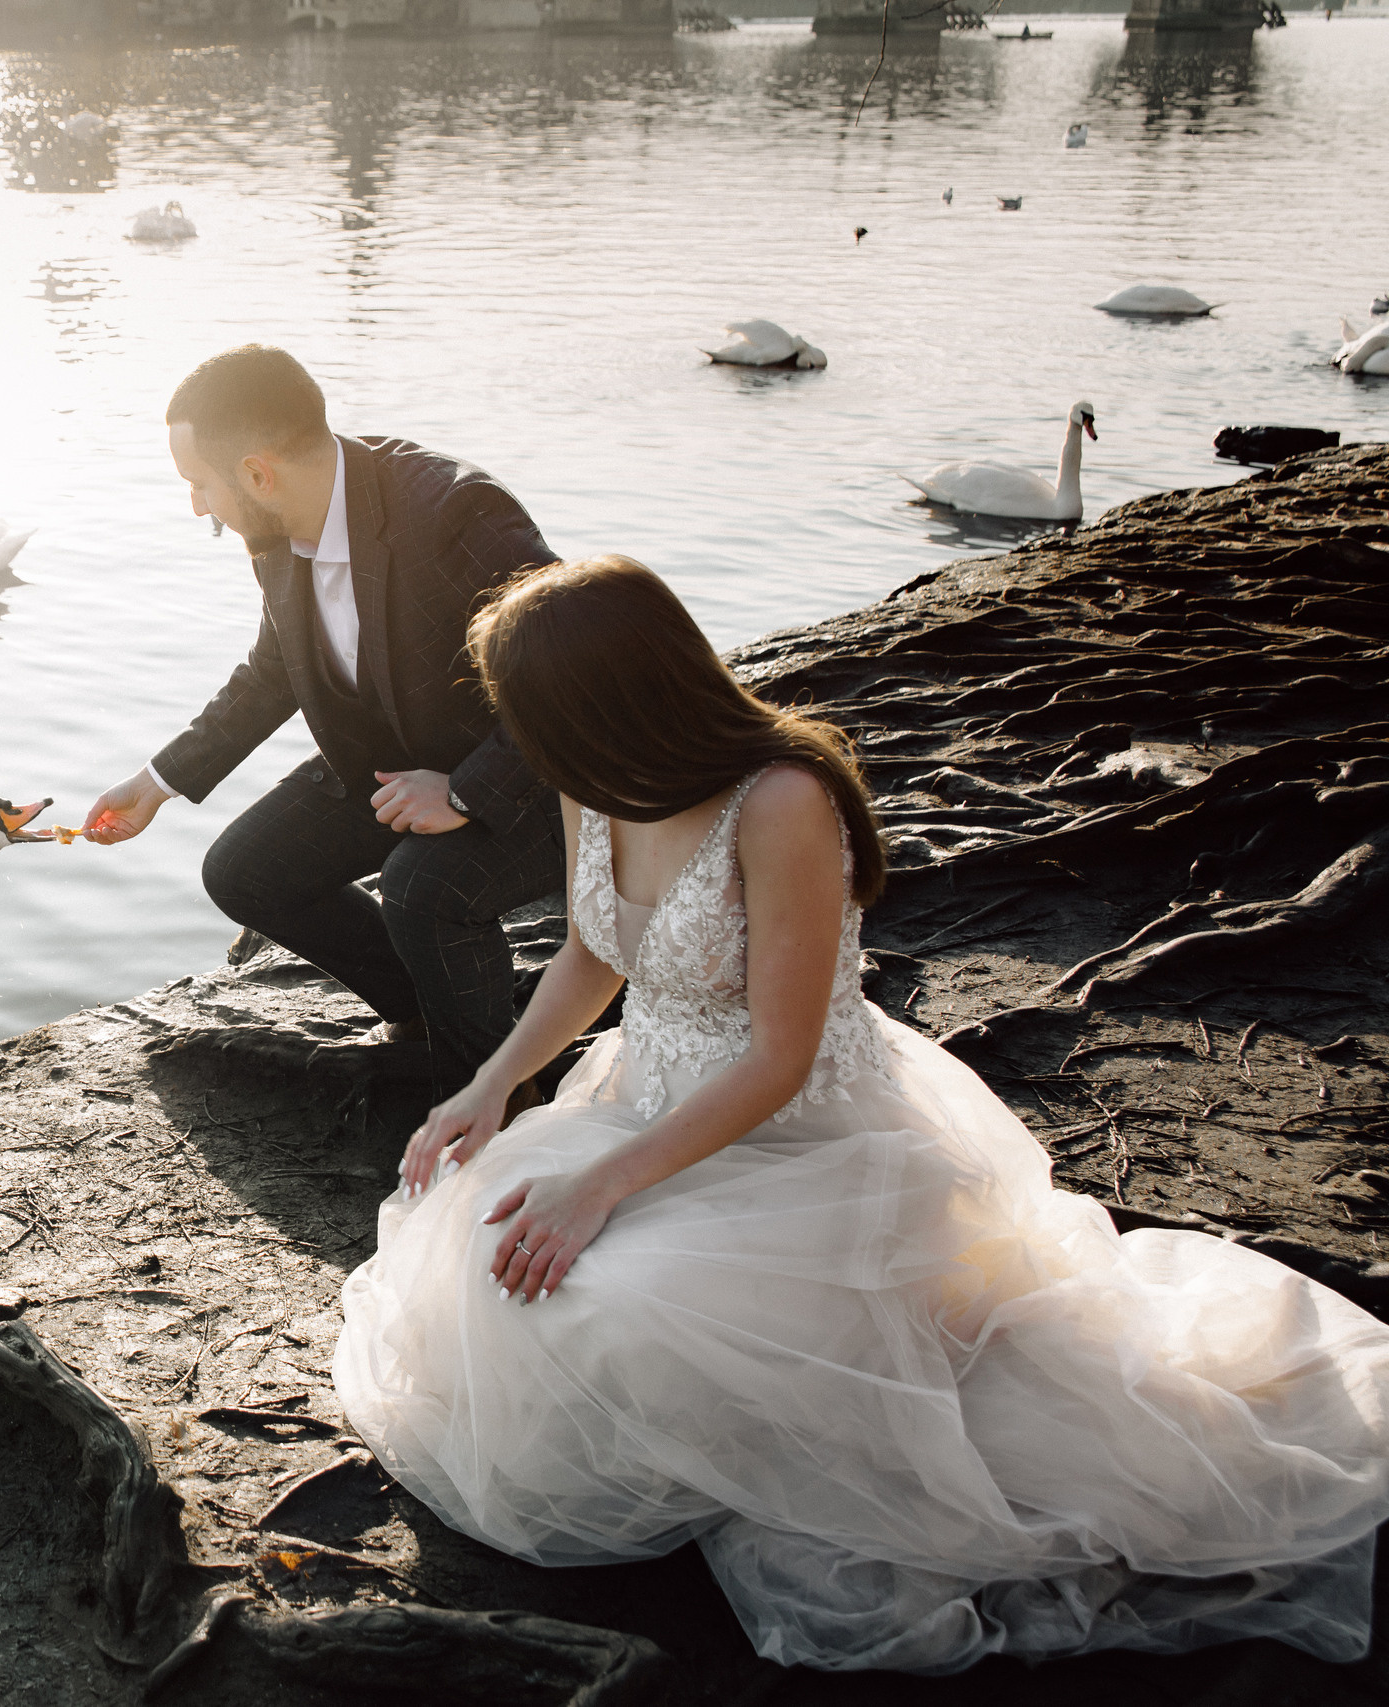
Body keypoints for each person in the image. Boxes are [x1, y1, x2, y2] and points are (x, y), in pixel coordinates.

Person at [334, 554, 1389, 1673]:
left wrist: (600, 1184)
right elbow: (593, 952)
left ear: (615, 696)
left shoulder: (781, 800)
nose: (519, 743)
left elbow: (779, 1059)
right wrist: (494, 1081)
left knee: (616, 1301)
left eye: (535, 715)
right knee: (484, 1242)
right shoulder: (590, 779)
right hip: (642, 1103)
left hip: (798, 1141)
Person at [84, 345, 562, 1093]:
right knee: (245, 872)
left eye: (199, 484)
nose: (197, 507)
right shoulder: (276, 530)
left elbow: (569, 675)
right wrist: (156, 782)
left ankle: (499, 1090)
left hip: (535, 778)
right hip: (397, 764)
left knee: (419, 885)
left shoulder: (456, 510)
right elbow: (272, 671)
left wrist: (464, 793)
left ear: (256, 474)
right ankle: (429, 1011)